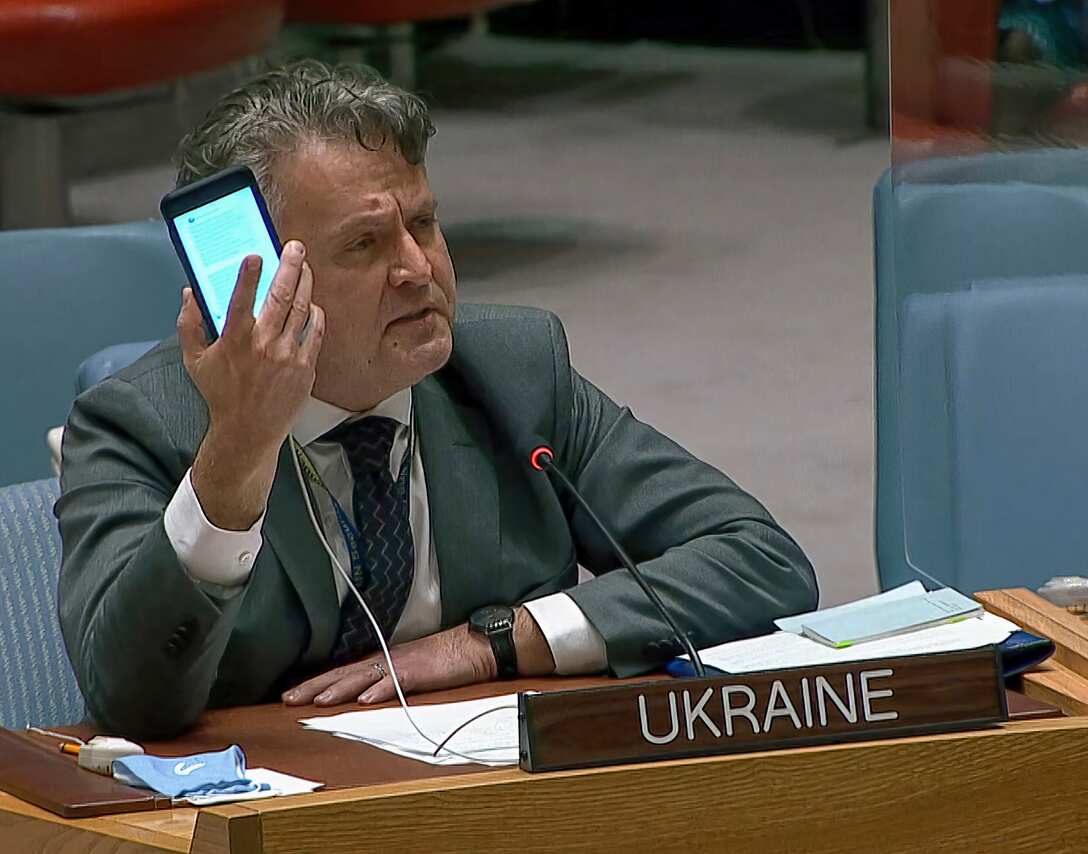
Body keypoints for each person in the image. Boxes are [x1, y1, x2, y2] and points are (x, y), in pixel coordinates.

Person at [56, 60, 818, 739]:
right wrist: (237, 454)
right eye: (365, 244)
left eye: (423, 223)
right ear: (250, 286)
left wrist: (497, 639)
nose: (418, 269)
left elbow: (760, 561)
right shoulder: (141, 423)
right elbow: (132, 701)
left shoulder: (513, 370)